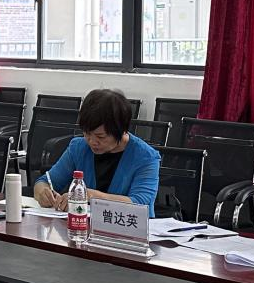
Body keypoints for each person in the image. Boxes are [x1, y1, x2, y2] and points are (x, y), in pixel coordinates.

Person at [33, 89, 161, 215]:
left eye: (101, 137)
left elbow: (140, 204)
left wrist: (90, 195)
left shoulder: (146, 157)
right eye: (87, 133)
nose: (92, 142)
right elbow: (46, 181)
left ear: (122, 131)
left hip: (126, 226)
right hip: (82, 225)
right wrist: (43, 192)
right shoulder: (78, 147)